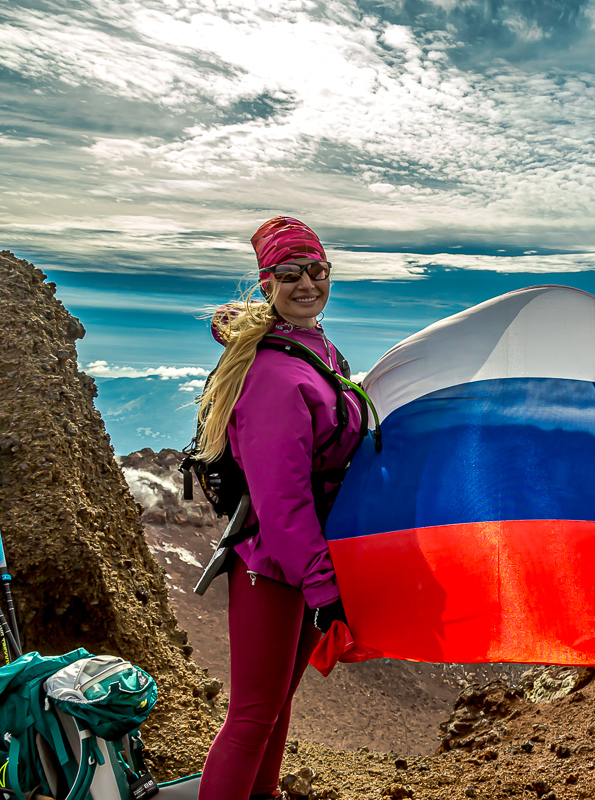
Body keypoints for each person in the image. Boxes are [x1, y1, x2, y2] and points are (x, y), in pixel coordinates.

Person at [197, 217, 365, 800]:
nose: (307, 284)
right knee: (249, 717)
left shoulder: (318, 348)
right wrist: (324, 586)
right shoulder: (272, 374)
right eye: (289, 274)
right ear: (266, 283)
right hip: (271, 563)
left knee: (272, 709)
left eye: (317, 271)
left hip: (306, 556)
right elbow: (281, 501)